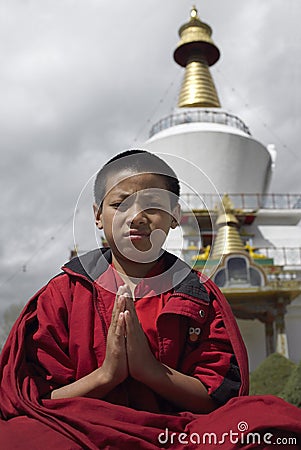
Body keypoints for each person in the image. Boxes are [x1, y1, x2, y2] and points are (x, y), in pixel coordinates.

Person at [0, 149, 300, 450]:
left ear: (175, 217)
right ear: (97, 216)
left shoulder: (197, 295)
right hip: (78, 428)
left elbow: (219, 396)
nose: (137, 217)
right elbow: (33, 399)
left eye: (153, 206)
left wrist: (150, 371)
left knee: (269, 425)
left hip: (179, 433)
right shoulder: (63, 293)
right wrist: (106, 376)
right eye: (119, 204)